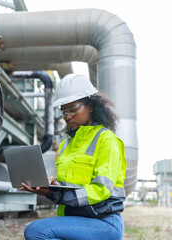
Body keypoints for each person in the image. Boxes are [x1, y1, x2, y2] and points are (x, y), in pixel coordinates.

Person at [20, 74, 126, 240]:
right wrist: (53, 187)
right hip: (76, 220)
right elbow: (70, 186)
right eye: (64, 112)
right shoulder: (65, 145)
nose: (67, 116)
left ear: (90, 106)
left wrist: (56, 194)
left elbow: (101, 190)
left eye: (72, 110)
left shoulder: (107, 140)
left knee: (36, 231)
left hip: (103, 222)